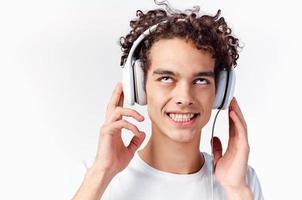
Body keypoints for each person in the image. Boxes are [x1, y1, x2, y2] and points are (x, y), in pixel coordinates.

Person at [72, 2, 263, 200]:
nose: (184, 98)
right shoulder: (94, 177)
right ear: (139, 86)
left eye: (200, 80)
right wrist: (102, 172)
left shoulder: (241, 181)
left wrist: (236, 190)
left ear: (220, 91)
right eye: (166, 78)